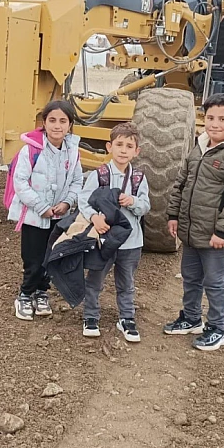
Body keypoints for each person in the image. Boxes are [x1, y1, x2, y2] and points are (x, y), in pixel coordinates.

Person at [164, 93, 224, 351]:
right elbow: (181, 184)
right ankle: (191, 318)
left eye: (222, 119)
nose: (214, 124)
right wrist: (173, 215)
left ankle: (219, 328)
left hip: (216, 235)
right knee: (190, 276)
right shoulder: (199, 147)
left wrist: (223, 231)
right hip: (192, 230)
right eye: (210, 118)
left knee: (214, 281)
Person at [7, 100, 83, 321]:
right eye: (52, 120)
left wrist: (68, 203)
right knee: (33, 257)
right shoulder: (30, 150)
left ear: (70, 125)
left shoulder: (73, 152)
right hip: (34, 216)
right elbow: (20, 182)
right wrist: (41, 207)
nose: (57, 126)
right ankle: (25, 294)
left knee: (51, 256)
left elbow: (77, 181)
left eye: (63, 121)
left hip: (59, 217)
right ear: (44, 123)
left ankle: (42, 292)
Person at [78, 122, 150, 342]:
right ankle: (90, 316)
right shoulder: (98, 175)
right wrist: (95, 217)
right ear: (109, 147)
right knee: (95, 279)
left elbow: (146, 205)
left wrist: (134, 201)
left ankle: (126, 319)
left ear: (136, 151)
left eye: (129, 146)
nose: (123, 150)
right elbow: (84, 200)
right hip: (103, 240)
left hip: (131, 242)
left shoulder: (138, 178)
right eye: (119, 144)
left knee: (126, 282)